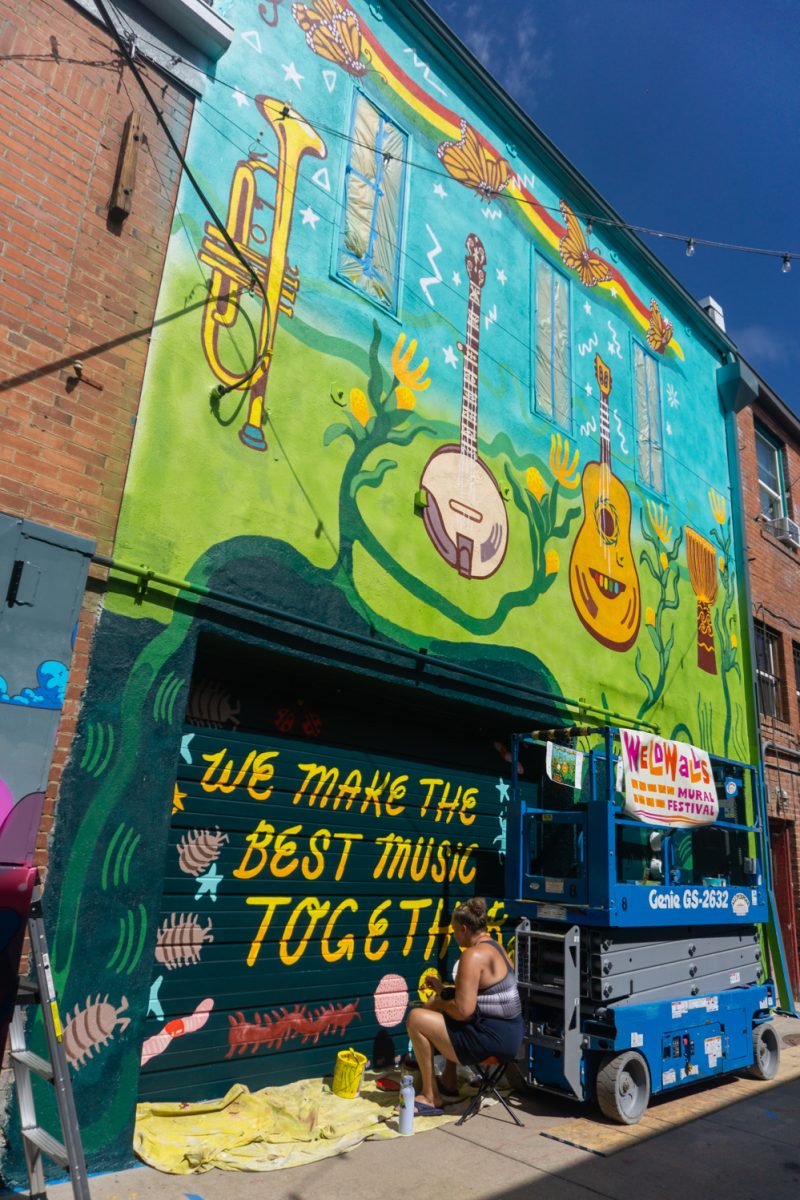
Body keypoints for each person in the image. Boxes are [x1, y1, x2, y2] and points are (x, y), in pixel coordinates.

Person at [406, 897, 523, 1115]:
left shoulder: (472, 955)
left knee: (416, 1018)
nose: (454, 937)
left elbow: (463, 1010)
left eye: (454, 932)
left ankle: (430, 1097)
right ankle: (449, 1082)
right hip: (509, 1036)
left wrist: (436, 1002)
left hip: (492, 1040)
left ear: (464, 928)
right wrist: (442, 989)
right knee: (448, 1017)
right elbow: (476, 996)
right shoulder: (495, 947)